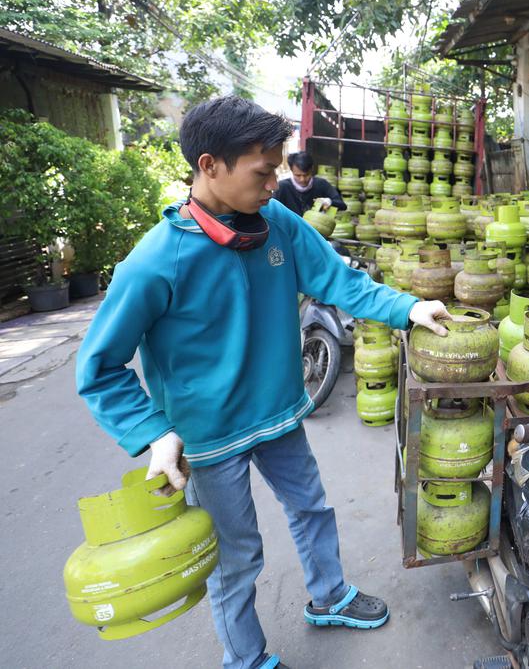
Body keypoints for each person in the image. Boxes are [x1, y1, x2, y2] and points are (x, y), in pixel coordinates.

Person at [76, 95, 450, 669]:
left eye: (277, 169)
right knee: (237, 558)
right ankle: (246, 659)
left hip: (278, 414)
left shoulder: (278, 223)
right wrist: (154, 433)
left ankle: (328, 596)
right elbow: (99, 368)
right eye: (263, 170)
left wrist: (407, 308)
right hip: (208, 439)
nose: (276, 182)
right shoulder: (156, 262)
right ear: (209, 166)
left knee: (312, 508)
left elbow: (337, 279)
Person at [273, 150, 347, 215]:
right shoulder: (282, 187)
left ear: (311, 169)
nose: (302, 179)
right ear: (291, 170)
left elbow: (342, 205)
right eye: (298, 175)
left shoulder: (321, 184)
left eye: (306, 175)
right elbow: (271, 209)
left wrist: (329, 201)